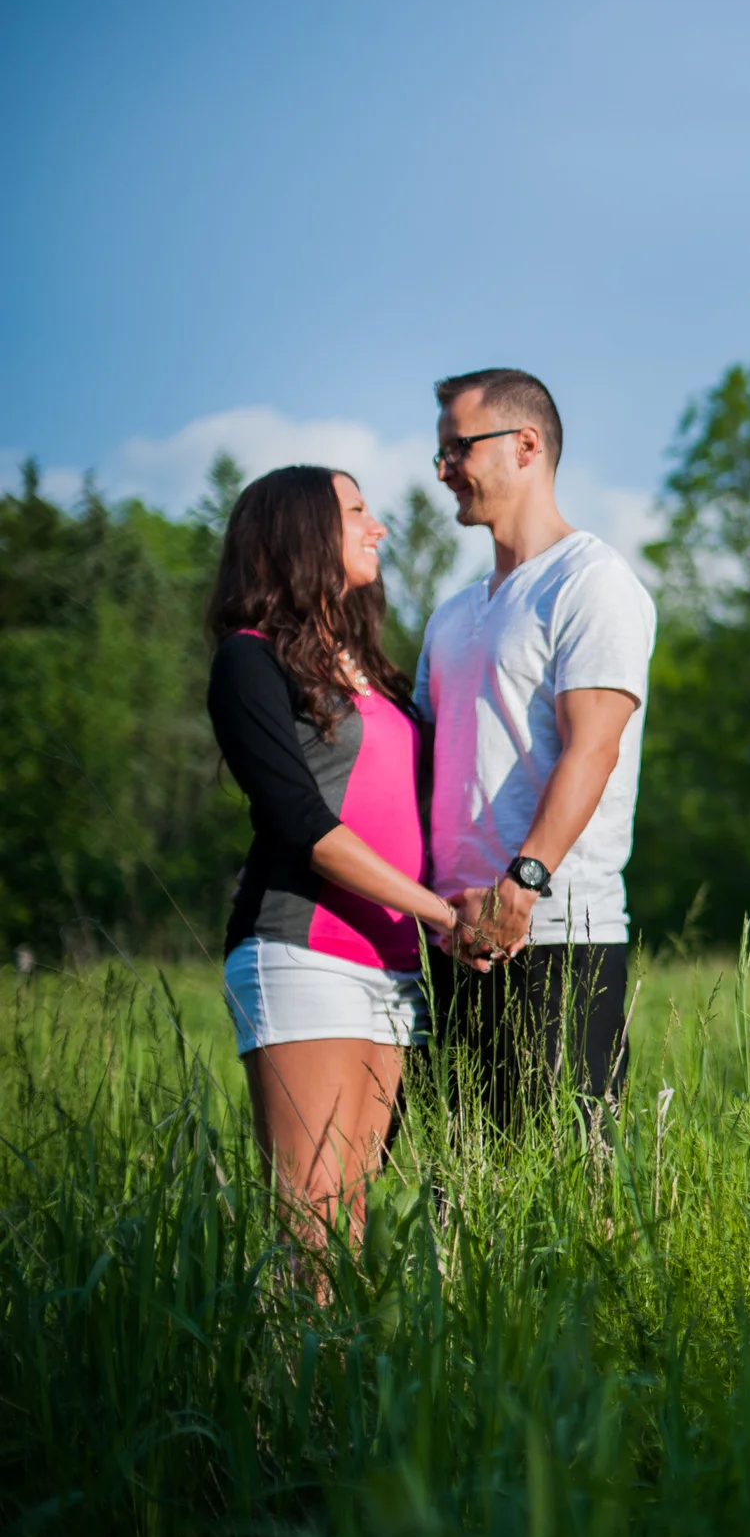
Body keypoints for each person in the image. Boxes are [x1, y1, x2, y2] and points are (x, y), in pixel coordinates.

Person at [206, 466, 488, 1251]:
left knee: (351, 1226)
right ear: (302, 532)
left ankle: (343, 1380)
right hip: (303, 952)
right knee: (313, 1232)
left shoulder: (379, 674)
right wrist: (443, 914)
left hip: (393, 968)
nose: (378, 527)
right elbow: (305, 825)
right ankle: (286, 1378)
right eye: (358, 511)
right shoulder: (249, 660)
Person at [416, 367, 655, 1129]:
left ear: (525, 445)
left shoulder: (591, 583)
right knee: (462, 1189)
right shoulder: (452, 615)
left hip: (553, 935)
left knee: (567, 1193)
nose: (446, 470)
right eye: (442, 454)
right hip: (452, 934)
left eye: (459, 448)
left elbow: (594, 749)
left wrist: (523, 884)